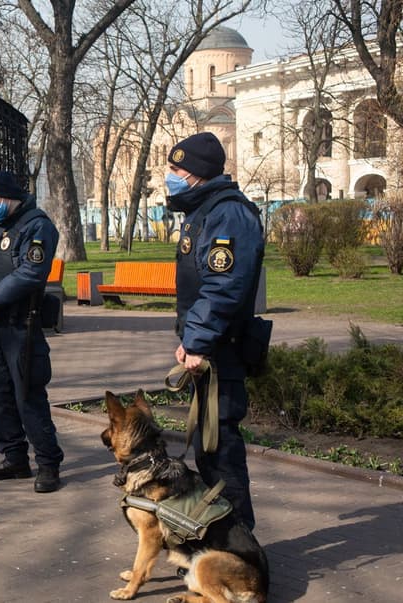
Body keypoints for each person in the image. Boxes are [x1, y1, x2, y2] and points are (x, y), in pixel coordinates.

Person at [166, 131, 264, 530]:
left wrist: (197, 342)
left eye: (177, 171)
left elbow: (222, 287)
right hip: (210, 346)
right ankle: (221, 535)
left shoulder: (229, 214)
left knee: (220, 450)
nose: (171, 177)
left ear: (198, 173)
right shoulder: (205, 210)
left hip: (223, 349)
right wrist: (190, 339)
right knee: (210, 450)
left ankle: (238, 543)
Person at [0, 170, 64, 493]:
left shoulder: (37, 226)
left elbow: (32, 273)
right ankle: (14, 457)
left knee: (28, 396)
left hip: (22, 326)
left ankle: (48, 463)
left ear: (8, 196)